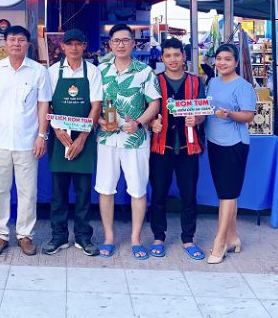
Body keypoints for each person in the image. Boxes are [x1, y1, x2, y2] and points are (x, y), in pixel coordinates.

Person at [95, 24, 161, 260]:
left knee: (138, 189)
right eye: (116, 40)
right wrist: (100, 121)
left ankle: (135, 239)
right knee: (105, 188)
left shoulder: (145, 71)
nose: (121, 45)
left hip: (135, 140)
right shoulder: (100, 71)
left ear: (133, 43)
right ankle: (109, 237)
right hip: (106, 139)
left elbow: (154, 103)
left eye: (125, 40)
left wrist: (140, 123)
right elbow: (93, 103)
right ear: (110, 44)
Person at [0, 25, 52, 256]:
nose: (16, 43)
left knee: (27, 191)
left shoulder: (38, 71)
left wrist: (41, 135)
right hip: (0, 140)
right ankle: (0, 235)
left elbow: (43, 105)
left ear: (28, 44)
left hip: (28, 141)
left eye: (21, 40)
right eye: (12, 39)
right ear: (5, 43)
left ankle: (25, 235)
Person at [43, 29, 103, 257]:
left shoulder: (93, 71)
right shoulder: (52, 72)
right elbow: (47, 104)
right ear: (63, 47)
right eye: (70, 44)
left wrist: (82, 138)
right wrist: (57, 130)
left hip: (84, 137)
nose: (74, 48)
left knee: (83, 192)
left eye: (78, 43)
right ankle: (59, 236)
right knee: (58, 193)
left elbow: (96, 106)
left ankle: (83, 236)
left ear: (85, 46)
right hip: (59, 138)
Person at [149, 38, 206, 261]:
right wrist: (152, 122)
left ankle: (188, 238)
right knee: (158, 194)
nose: (172, 59)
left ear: (184, 56)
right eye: (168, 55)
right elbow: (146, 109)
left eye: (176, 55)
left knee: (189, 195)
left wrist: (197, 119)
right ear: (162, 58)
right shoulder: (155, 81)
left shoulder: (196, 82)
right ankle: (158, 237)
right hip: (160, 147)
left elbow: (203, 111)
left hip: (188, 147)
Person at [204, 44, 256, 264]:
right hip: (213, 141)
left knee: (227, 193)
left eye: (227, 59)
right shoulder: (212, 83)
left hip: (234, 144)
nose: (222, 62)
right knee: (226, 193)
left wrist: (229, 114)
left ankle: (220, 242)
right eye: (219, 58)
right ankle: (233, 237)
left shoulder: (243, 86)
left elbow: (248, 116)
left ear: (236, 62)